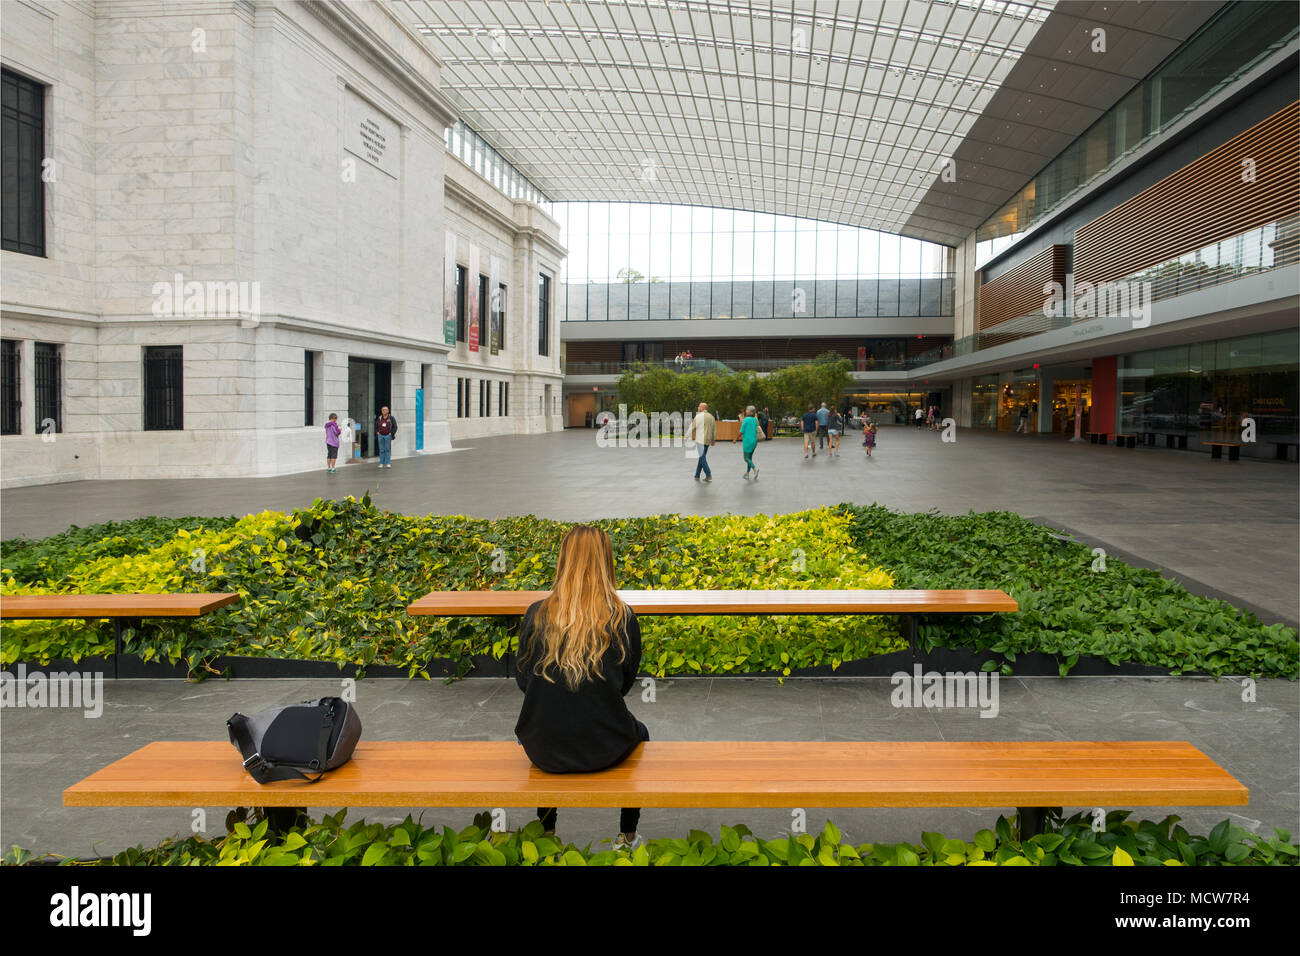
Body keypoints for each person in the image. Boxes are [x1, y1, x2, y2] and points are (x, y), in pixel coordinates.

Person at [515, 525, 648, 851]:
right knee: (640, 733)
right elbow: (625, 684)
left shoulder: (536, 614)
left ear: (563, 561)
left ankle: (546, 837)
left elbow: (523, 681)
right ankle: (626, 837)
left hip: (543, 750)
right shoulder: (621, 617)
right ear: (607, 563)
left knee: (549, 721)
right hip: (605, 748)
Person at [688, 401, 715, 482]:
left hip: (700, 440)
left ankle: (708, 474)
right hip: (707, 440)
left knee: (702, 457)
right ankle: (697, 475)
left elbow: (692, 427)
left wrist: (686, 436)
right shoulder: (711, 417)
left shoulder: (699, 416)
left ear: (703, 408)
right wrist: (713, 439)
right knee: (701, 457)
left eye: (699, 406)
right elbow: (714, 430)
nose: (698, 408)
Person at [740, 405, 759, 480]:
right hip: (754, 441)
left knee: (746, 458)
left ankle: (755, 469)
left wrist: (735, 439)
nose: (745, 411)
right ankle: (747, 474)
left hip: (747, 441)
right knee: (750, 458)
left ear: (750, 412)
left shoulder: (746, 420)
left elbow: (741, 431)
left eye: (746, 410)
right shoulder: (755, 420)